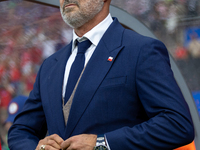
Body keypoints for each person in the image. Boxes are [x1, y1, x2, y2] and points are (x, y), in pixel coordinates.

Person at [8, 0, 194, 149]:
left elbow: (177, 124)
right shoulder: (50, 65)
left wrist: (102, 143)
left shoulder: (141, 50)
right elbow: (20, 131)